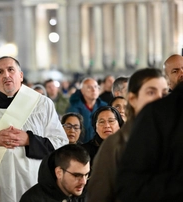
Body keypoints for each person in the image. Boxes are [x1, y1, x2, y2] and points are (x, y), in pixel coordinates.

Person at [0, 56, 68, 202]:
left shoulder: (42, 104)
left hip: (33, 182)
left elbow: (61, 144)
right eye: (0, 72)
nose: (6, 75)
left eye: (10, 70)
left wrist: (29, 140)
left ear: (20, 76)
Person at [87, 68, 168, 202]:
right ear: (132, 99)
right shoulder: (116, 144)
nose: (160, 99)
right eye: (151, 92)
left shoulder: (173, 136)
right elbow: (99, 195)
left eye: (164, 94)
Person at [116, 85, 182, 201]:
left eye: (163, 92)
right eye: (151, 92)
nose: (158, 97)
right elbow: (130, 186)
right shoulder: (158, 115)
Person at [20, 144, 90, 202]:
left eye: (86, 174)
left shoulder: (89, 195)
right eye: (77, 175)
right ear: (59, 173)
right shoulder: (32, 200)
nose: (83, 182)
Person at [66, 78, 107, 143]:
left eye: (96, 87)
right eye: (89, 87)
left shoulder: (105, 107)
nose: (93, 90)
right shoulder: (73, 109)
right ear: (82, 91)